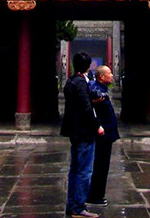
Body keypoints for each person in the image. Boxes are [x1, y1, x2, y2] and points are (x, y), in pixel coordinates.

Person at [60, 52, 103, 218]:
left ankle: (72, 204)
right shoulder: (80, 83)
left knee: (75, 169)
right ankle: (78, 206)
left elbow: (77, 104)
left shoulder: (70, 81)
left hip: (74, 131)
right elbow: (85, 108)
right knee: (85, 171)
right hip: (84, 131)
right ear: (87, 66)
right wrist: (97, 126)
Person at [86, 65, 119, 207]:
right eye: (109, 74)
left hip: (106, 133)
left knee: (102, 165)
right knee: (100, 165)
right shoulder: (97, 91)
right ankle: (95, 195)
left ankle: (97, 194)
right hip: (102, 134)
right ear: (102, 77)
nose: (112, 76)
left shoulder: (100, 89)